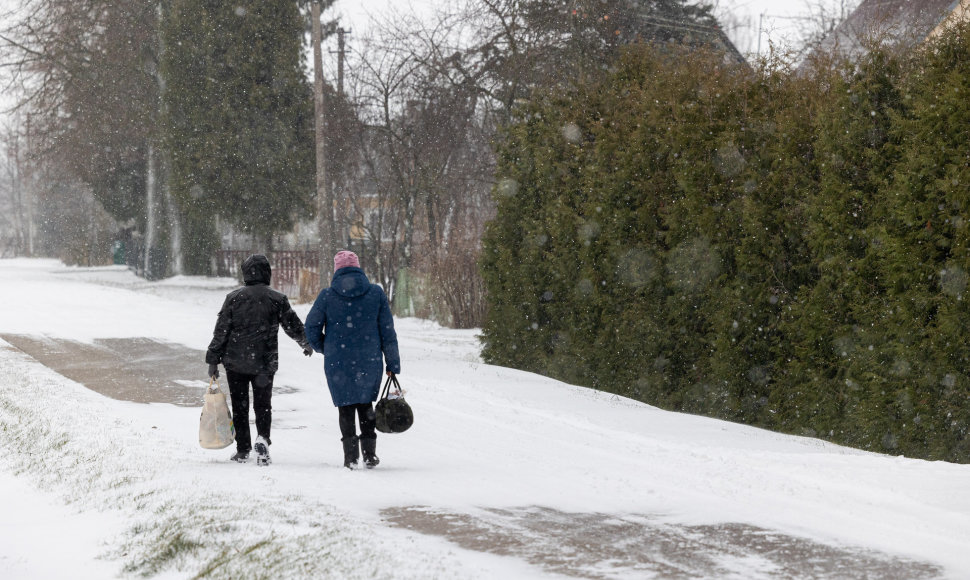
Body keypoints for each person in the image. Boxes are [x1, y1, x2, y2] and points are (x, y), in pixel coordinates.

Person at [206, 254, 312, 465]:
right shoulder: (277, 298)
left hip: (236, 362)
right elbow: (293, 325)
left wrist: (213, 359)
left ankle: (243, 448)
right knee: (263, 405)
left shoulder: (234, 298)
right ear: (267, 272)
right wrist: (306, 342)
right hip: (264, 362)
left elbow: (221, 331)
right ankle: (262, 438)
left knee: (240, 405)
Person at [304, 250, 401, 469]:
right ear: (358, 268)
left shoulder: (327, 296)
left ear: (336, 270)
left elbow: (311, 327)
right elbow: (388, 331)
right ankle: (369, 454)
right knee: (365, 402)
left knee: (345, 406)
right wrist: (392, 363)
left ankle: (350, 457)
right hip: (369, 358)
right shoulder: (375, 293)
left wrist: (325, 348)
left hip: (338, 361)